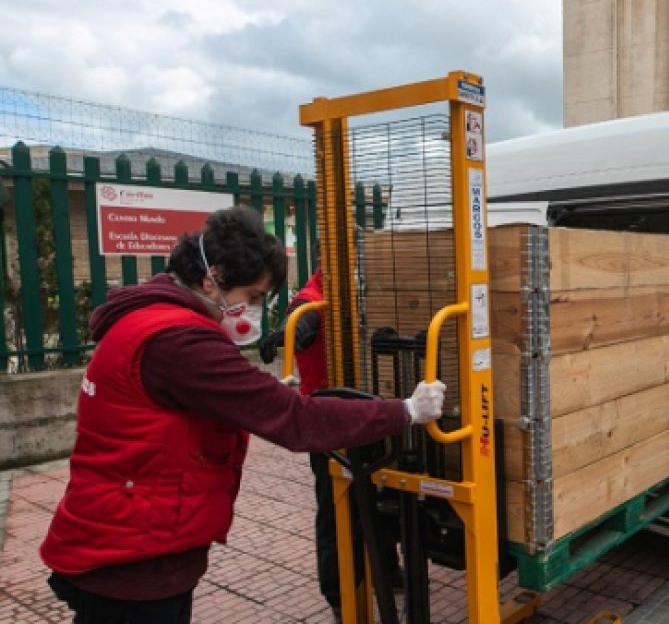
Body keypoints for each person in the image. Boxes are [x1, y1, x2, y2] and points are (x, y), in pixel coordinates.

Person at [40, 206, 444, 624]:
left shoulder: (148, 320)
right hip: (134, 558)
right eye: (251, 297)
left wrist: (255, 395)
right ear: (210, 279)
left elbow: (182, 407)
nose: (253, 309)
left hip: (125, 538)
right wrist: (404, 410)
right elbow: (297, 421)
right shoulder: (179, 340)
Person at [258, 267, 403, 616]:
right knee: (336, 509)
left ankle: (387, 569)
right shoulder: (312, 298)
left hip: (373, 415)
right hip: (329, 423)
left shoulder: (371, 294)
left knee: (383, 498)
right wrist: (287, 335)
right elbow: (303, 322)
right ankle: (340, 595)